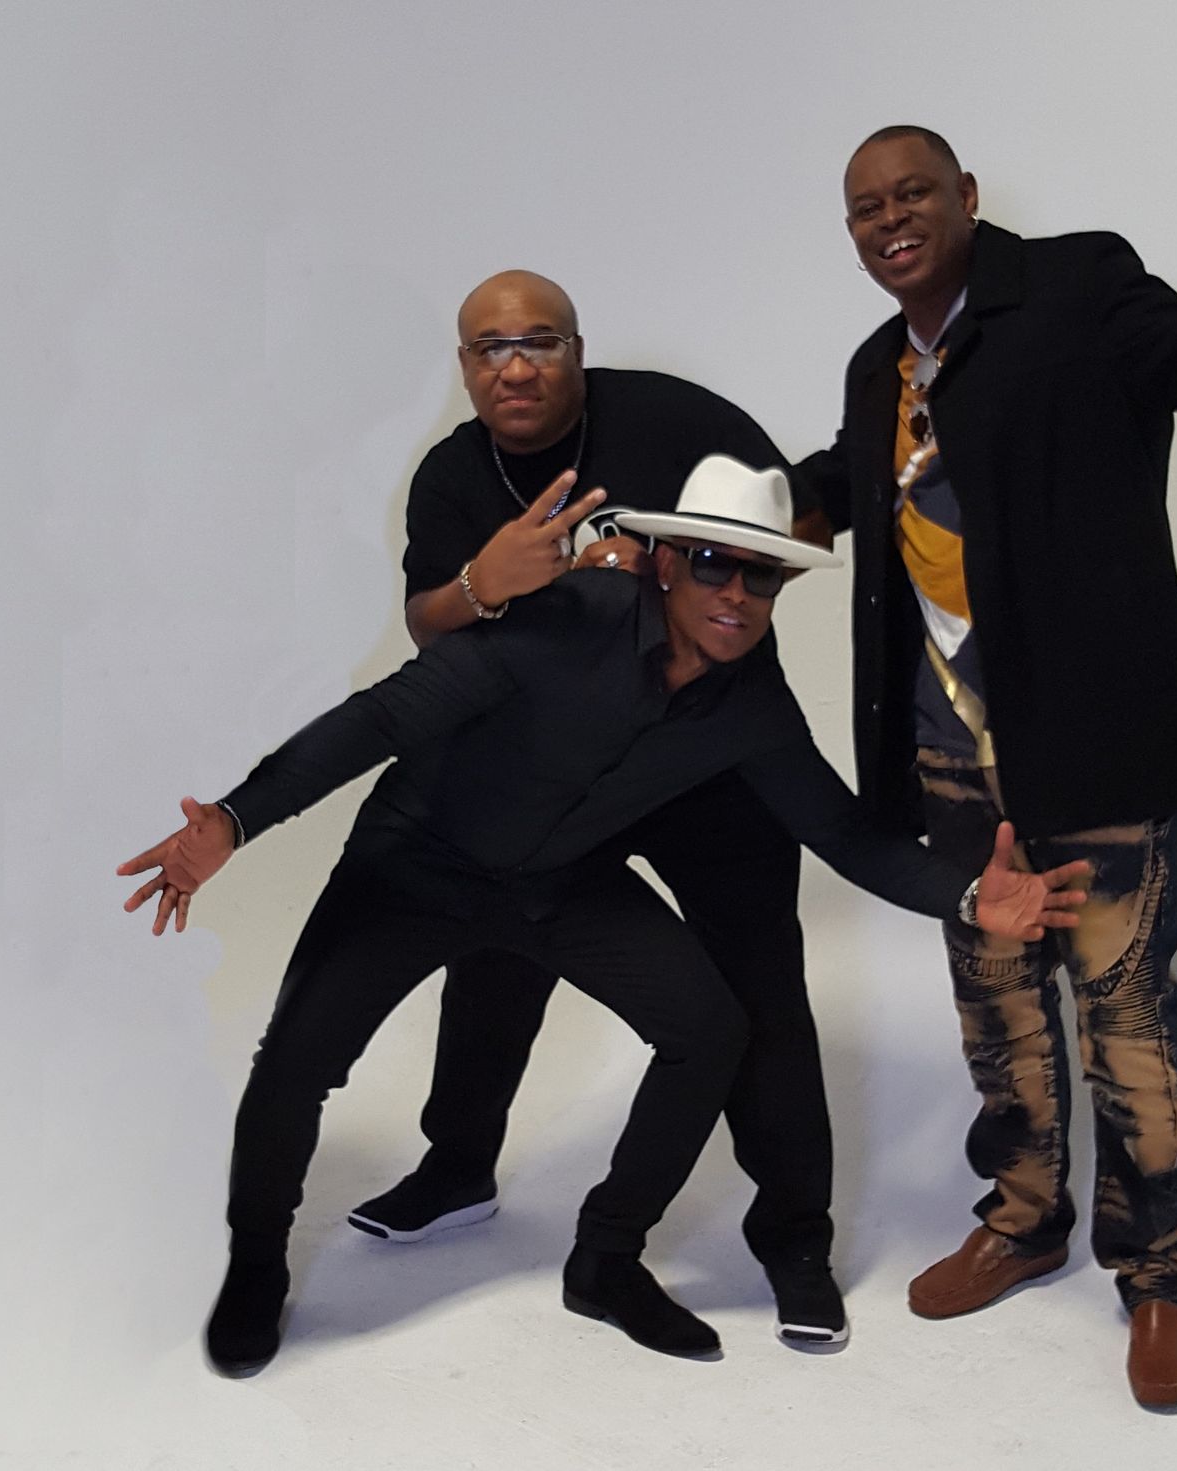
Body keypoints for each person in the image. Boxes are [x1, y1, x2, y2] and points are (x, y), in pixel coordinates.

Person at [117, 454, 1091, 1378]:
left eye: (760, 576)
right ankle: (256, 1262)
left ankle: (605, 1256)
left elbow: (838, 830)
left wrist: (970, 896)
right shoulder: (561, 622)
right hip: (417, 863)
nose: (735, 594)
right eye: (712, 564)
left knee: (710, 1028)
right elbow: (380, 719)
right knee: (295, 1060)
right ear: (665, 563)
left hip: (557, 882)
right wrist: (235, 821)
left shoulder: (750, 697)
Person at [795, 125, 1177, 1409]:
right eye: (865, 209)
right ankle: (1023, 1221)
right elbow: (852, 483)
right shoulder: (874, 367)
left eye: (913, 193)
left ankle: (1159, 1274)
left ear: (967, 197)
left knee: (1124, 1013)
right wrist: (726, 516)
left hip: (1095, 742)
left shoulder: (1076, 285)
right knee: (996, 1004)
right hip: (945, 752)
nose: (890, 220)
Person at [357, 269, 853, 1347]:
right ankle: (458, 1165)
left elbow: (798, 522)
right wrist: (491, 581)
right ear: (466, 367)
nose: (516, 367)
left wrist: (700, 590)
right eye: (491, 349)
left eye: (539, 342)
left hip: (708, 755)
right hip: (569, 767)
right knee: (495, 946)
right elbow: (429, 624)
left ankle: (793, 1236)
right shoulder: (453, 474)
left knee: (759, 981)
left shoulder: (674, 419)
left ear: (577, 350)